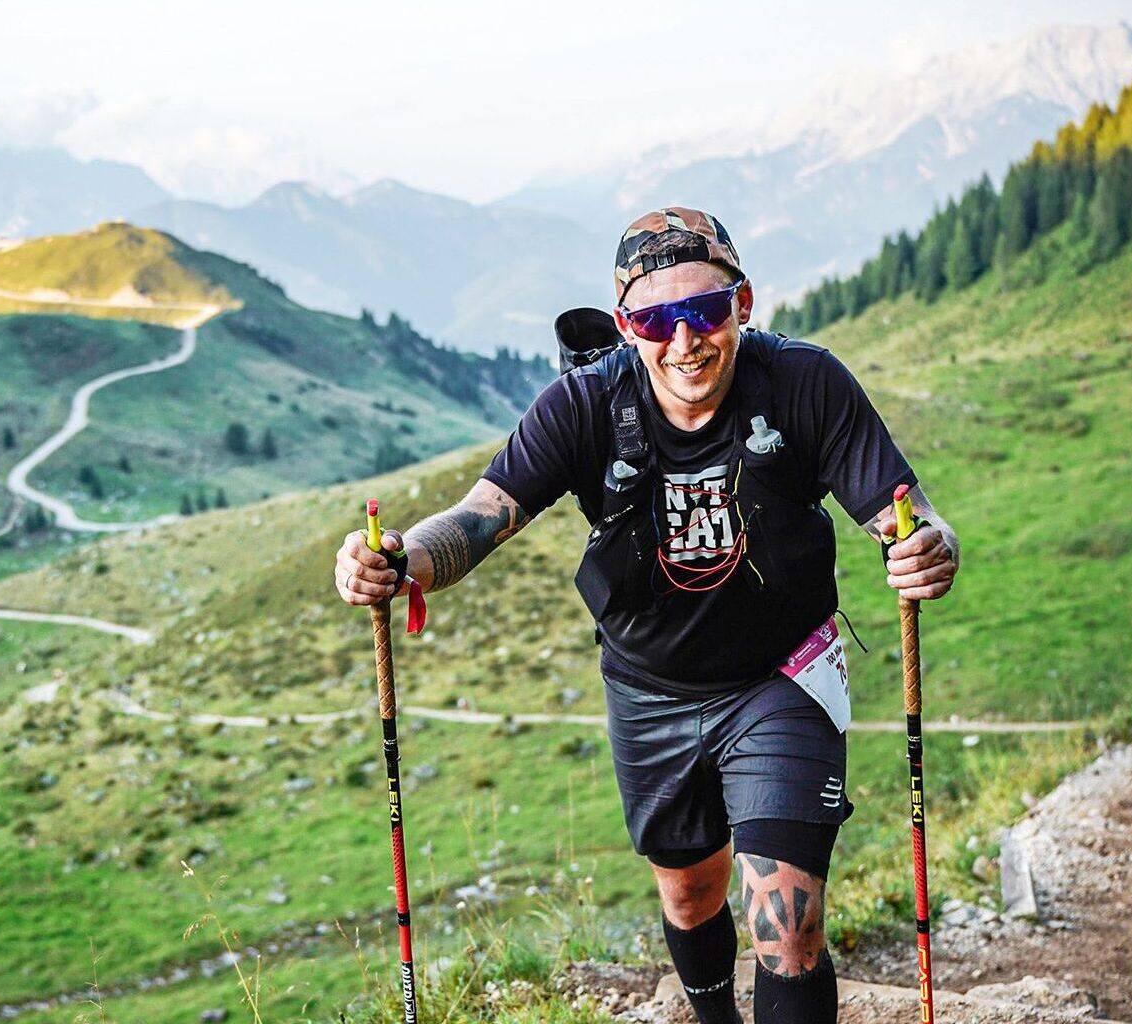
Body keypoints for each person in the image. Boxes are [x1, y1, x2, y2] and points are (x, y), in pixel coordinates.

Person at [332, 207, 959, 1023]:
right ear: (626, 325)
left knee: (787, 921)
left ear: (743, 303)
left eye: (706, 310)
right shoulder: (586, 403)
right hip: (648, 689)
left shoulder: (805, 383)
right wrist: (397, 560)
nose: (685, 340)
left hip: (782, 677)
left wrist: (928, 549)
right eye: (656, 321)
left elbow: (908, 517)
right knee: (691, 894)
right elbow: (484, 516)